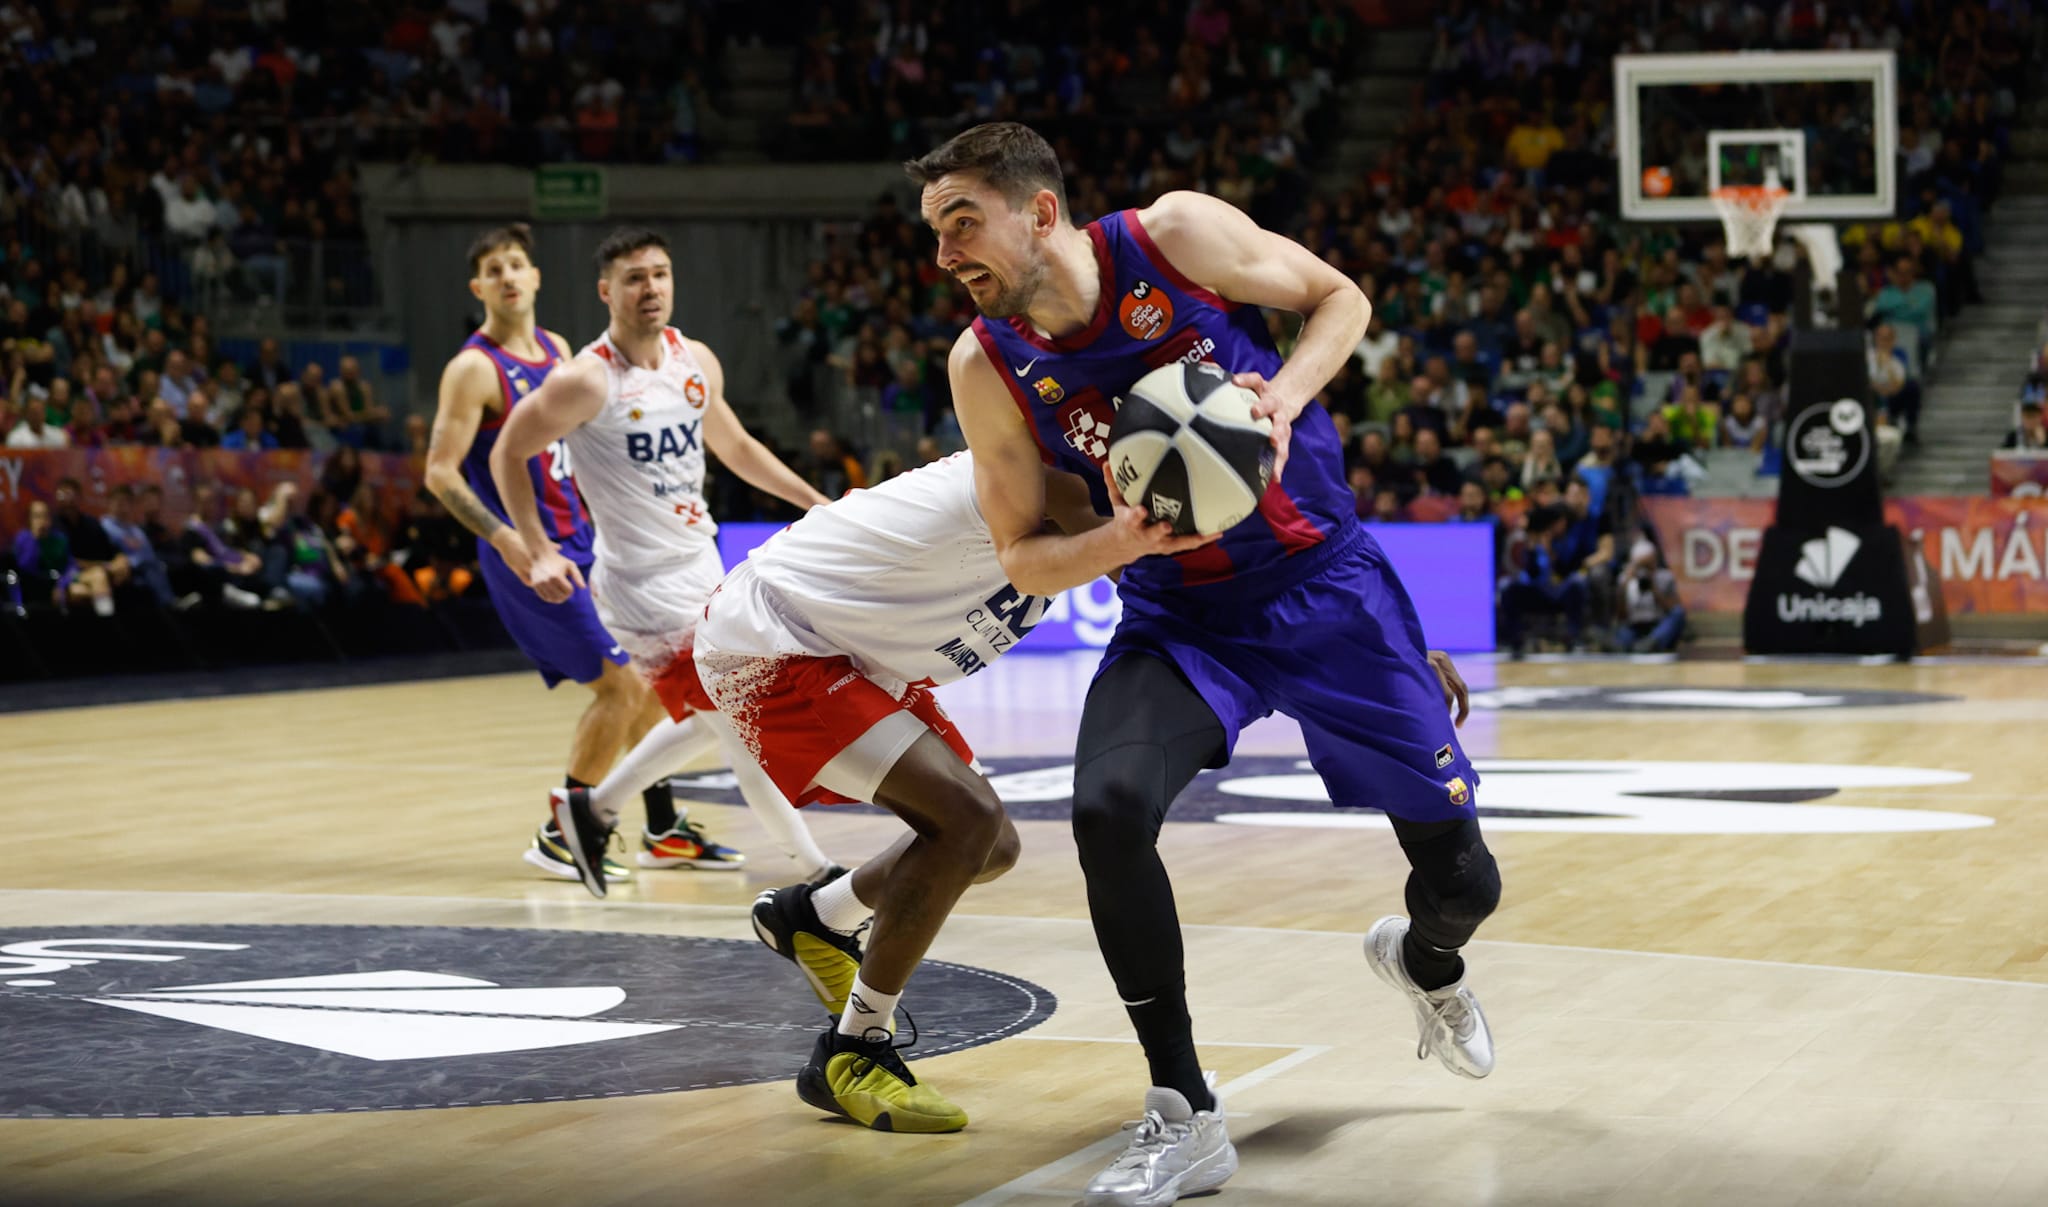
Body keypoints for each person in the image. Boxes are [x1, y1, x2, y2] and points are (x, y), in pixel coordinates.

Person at [910, 123, 1498, 1204]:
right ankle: (1182, 1107)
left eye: (961, 224)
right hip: (1179, 616)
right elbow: (1023, 556)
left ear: (1039, 212)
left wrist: (1284, 396)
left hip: (1326, 591)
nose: (944, 256)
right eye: (933, 235)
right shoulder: (985, 364)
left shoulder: (1172, 236)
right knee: (1105, 807)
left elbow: (1340, 300)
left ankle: (1422, 962)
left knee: (1465, 882)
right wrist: (1120, 545)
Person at [566, 453, 1091, 1133]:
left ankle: (814, 914)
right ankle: (853, 1051)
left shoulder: (1082, 479)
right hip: (774, 639)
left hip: (849, 651)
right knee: (966, 817)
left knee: (992, 844)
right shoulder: (1050, 478)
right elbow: (1133, 542)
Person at [491, 226, 838, 894]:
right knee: (740, 720)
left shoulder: (694, 360)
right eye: (634, 277)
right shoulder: (586, 380)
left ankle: (590, 812)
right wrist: (535, 549)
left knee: (714, 716)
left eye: (659, 274)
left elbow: (735, 446)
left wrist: (811, 498)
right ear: (606, 291)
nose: (650, 288)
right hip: (641, 585)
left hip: (701, 565)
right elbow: (509, 451)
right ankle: (818, 875)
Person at [425, 223, 708, 886]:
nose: (509, 277)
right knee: (622, 685)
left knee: (649, 685)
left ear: (537, 277)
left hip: (584, 541)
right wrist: (510, 540)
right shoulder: (473, 368)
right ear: (479, 287)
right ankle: (563, 832)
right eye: (494, 270)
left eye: (517, 264)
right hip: (528, 551)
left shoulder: (557, 350)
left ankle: (662, 827)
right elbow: (439, 471)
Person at [1613, 540, 1686, 653]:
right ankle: (1623, 644)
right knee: (1623, 633)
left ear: (1654, 562)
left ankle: (1652, 643)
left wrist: (1654, 588)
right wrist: (1625, 586)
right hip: (1634, 626)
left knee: (1678, 613)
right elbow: (1620, 616)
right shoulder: (1625, 580)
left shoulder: (1664, 577)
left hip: (1657, 626)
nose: (1644, 570)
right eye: (1641, 566)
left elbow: (1673, 609)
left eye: (1648, 565)